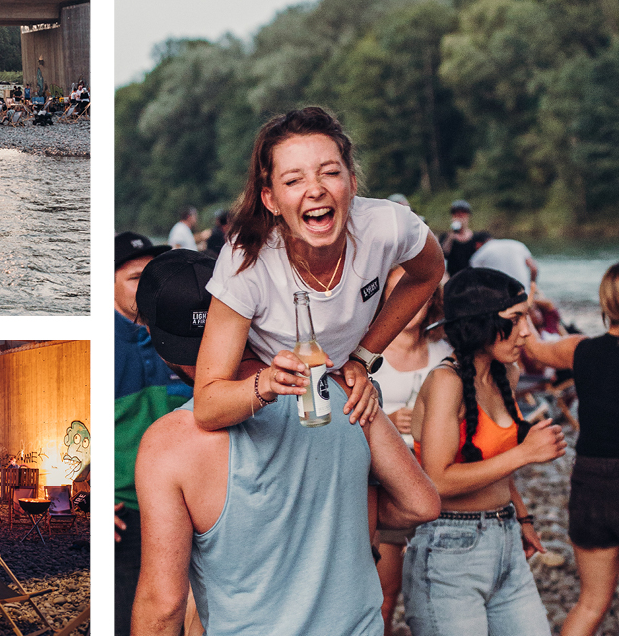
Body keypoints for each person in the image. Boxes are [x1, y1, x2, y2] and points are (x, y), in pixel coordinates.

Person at [132, 249, 442, 636]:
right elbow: (422, 503)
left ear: (159, 344)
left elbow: (163, 607)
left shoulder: (169, 444)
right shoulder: (340, 390)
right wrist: (331, 511)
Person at [193, 106, 445, 433]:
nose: (315, 189)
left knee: (418, 487)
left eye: (329, 172)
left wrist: (363, 356)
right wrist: (269, 381)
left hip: (346, 390)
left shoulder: (388, 225)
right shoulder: (246, 258)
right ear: (270, 199)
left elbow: (429, 272)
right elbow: (207, 406)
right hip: (269, 391)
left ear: (352, 182)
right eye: (294, 180)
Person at [402, 267, 567, 636]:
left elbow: (491, 464)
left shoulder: (503, 374)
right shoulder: (446, 382)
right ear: (479, 323)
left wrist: (521, 519)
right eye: (516, 319)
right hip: (449, 549)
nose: (527, 331)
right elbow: (438, 480)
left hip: (504, 536)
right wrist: (526, 453)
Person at [523, 261, 619, 636]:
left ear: (604, 304)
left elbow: (532, 348)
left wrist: (529, 304)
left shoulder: (580, 351)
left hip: (590, 483)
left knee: (591, 602)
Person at [370, 266, 452, 634]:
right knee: (384, 596)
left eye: (418, 290)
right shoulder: (365, 351)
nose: (410, 299)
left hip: (442, 487)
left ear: (432, 296)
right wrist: (388, 417)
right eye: (398, 290)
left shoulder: (445, 350)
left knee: (442, 597)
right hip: (384, 486)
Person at [114, 231, 187, 636]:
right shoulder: (99, 346)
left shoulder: (178, 335)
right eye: (133, 278)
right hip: (126, 516)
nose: (146, 289)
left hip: (184, 510)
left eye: (150, 278)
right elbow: (66, 438)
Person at [469, 234, 539, 294]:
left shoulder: (478, 255)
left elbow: (475, 280)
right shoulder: (517, 244)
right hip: (524, 292)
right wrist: (532, 288)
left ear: (477, 244)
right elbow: (534, 268)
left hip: (501, 297)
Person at [440, 200, 480, 276]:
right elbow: (443, 254)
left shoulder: (476, 237)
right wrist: (451, 235)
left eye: (463, 214)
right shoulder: (446, 237)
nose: (460, 217)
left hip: (471, 276)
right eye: (456, 214)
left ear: (468, 216)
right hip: (453, 277)